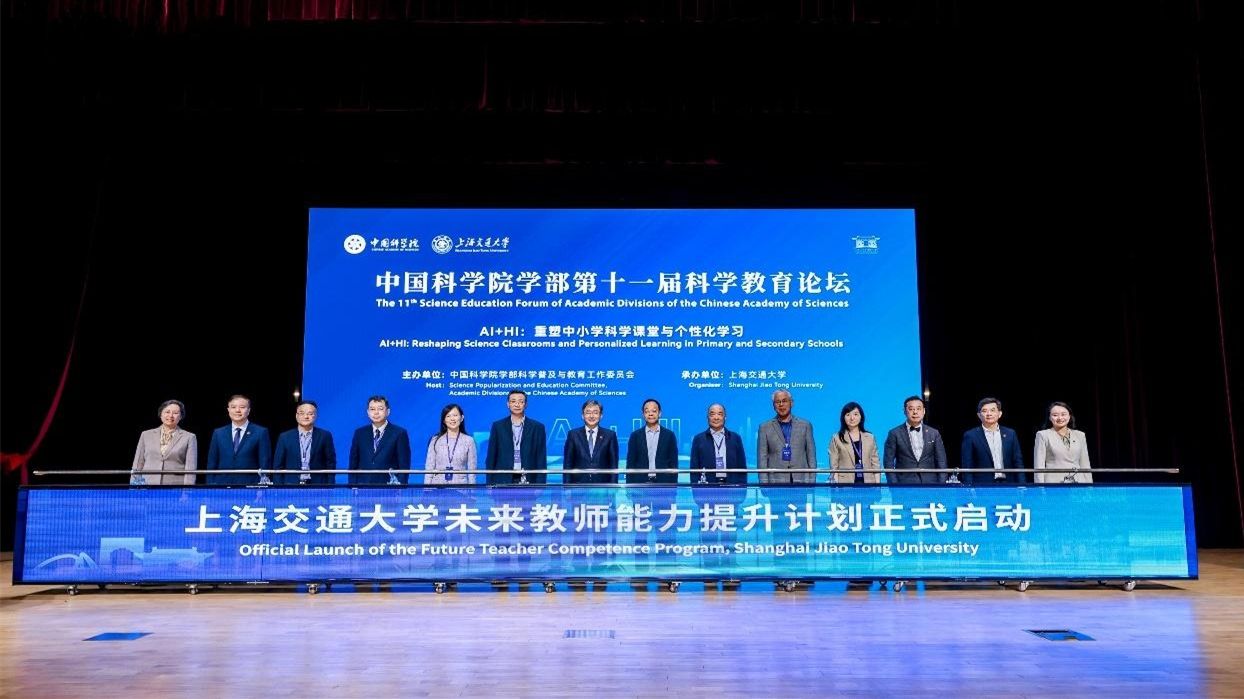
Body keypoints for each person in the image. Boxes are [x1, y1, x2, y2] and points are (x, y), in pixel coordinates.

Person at [484, 390, 547, 484]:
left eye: (521, 401)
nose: (517, 405)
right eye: (513, 401)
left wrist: (540, 484)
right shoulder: (498, 426)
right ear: (508, 404)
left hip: (529, 480)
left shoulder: (538, 427)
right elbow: (491, 457)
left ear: (526, 404)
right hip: (502, 480)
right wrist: (489, 483)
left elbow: (541, 458)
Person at [206, 394, 271, 485]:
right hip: (222, 485)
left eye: (242, 407)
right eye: (233, 407)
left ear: (249, 410)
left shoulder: (260, 432)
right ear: (228, 410)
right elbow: (212, 463)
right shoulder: (218, 433)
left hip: (250, 485)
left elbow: (265, 462)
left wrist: (262, 485)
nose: (237, 410)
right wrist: (210, 485)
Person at [882, 395, 948, 484]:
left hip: (931, 484)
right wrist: (894, 485)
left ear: (924, 411)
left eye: (918, 408)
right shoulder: (894, 433)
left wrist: (942, 484)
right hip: (904, 484)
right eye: (911, 409)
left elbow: (941, 461)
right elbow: (888, 462)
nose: (915, 412)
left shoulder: (934, 433)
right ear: (905, 411)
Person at [131, 399, 198, 485]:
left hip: (175, 488)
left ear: (181, 416)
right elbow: (137, 464)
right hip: (148, 486)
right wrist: (134, 488)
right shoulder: (146, 435)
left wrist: (187, 491)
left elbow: (190, 469)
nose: (171, 415)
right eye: (167, 412)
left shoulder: (189, 437)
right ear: (161, 414)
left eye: (175, 413)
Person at [348, 395, 412, 485]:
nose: (376, 412)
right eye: (372, 409)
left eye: (380, 409)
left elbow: (404, 467)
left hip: (389, 488)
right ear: (368, 412)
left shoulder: (399, 433)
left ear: (388, 412)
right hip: (363, 487)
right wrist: (353, 486)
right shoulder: (359, 433)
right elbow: (353, 465)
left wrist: (400, 487)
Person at [959, 397, 1025, 484]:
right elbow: (967, 465)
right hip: (982, 486)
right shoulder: (971, 435)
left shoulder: (1010, 434)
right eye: (984, 411)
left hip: (1008, 484)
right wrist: (969, 487)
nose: (989, 414)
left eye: (992, 410)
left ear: (1000, 414)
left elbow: (1018, 462)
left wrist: (1022, 485)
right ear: (979, 415)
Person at [756, 389, 817, 483]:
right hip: (775, 482)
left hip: (801, 481)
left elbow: (811, 456)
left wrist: (812, 482)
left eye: (784, 401)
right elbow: (762, 459)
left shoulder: (805, 425)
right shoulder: (764, 427)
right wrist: (764, 484)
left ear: (791, 403)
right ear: (773, 406)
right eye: (777, 402)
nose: (781, 404)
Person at [272, 400, 337, 485]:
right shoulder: (284, 437)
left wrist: (330, 486)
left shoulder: (325, 436)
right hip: (290, 485)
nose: (306, 416)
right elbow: (278, 466)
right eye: (302, 413)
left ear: (315, 416)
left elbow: (330, 463)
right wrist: (279, 488)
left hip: (318, 486)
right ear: (296, 416)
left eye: (310, 413)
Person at [1033, 401, 1093, 484]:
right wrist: (1040, 487)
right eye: (1055, 415)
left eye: (1063, 414)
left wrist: (1089, 486)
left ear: (1069, 416)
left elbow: (1085, 464)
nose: (1060, 418)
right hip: (1054, 484)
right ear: (1050, 417)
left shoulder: (1080, 435)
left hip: (1078, 483)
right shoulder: (1042, 435)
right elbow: (1039, 466)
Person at [688, 403, 747, 486]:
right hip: (707, 487)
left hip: (732, 487)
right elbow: (694, 468)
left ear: (725, 417)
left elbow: (742, 467)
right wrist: (695, 488)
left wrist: (742, 488)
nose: (716, 418)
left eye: (720, 414)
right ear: (707, 417)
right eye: (712, 414)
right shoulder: (699, 439)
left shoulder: (735, 438)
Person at [562, 399, 619, 484]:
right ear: (582, 416)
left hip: (602, 486)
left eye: (595, 412)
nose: (591, 416)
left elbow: (613, 465)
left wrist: (613, 487)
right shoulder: (573, 435)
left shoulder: (610, 435)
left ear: (601, 416)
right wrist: (567, 487)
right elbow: (567, 464)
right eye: (588, 412)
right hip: (578, 486)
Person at [625, 398, 679, 483]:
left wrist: (673, 485)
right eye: (647, 411)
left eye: (654, 411)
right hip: (640, 484)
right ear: (643, 414)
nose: (650, 414)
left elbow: (673, 464)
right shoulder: (635, 436)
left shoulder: (669, 435)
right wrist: (630, 486)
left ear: (659, 413)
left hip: (664, 483)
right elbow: (630, 464)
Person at [424, 403, 477, 485]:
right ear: (444, 420)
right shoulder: (435, 440)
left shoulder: (469, 440)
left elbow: (472, 471)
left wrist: (472, 490)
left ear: (462, 418)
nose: (452, 419)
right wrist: (427, 489)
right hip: (438, 487)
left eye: (455, 415)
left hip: (461, 488)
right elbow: (429, 468)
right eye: (448, 416)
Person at [828, 401, 880, 484]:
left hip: (868, 484)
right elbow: (834, 467)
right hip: (845, 484)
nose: (852, 418)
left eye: (855, 414)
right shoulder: (836, 438)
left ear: (861, 417)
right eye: (848, 415)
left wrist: (878, 485)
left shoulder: (870, 437)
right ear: (843, 418)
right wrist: (836, 487)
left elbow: (875, 464)